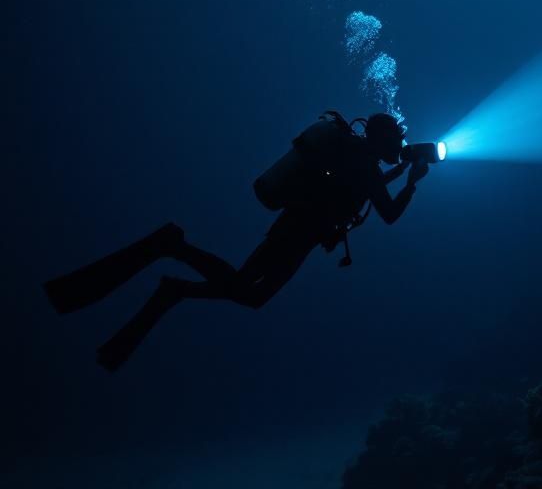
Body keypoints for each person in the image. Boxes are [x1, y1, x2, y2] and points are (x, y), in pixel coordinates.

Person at [43, 112, 428, 372]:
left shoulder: (360, 161)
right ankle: (173, 251)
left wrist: (399, 173)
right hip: (298, 233)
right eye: (398, 137)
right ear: (381, 138)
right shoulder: (364, 164)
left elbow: (361, 192)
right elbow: (388, 214)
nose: (402, 143)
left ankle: (175, 284)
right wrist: (411, 183)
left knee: (251, 294)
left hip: (297, 230)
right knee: (246, 288)